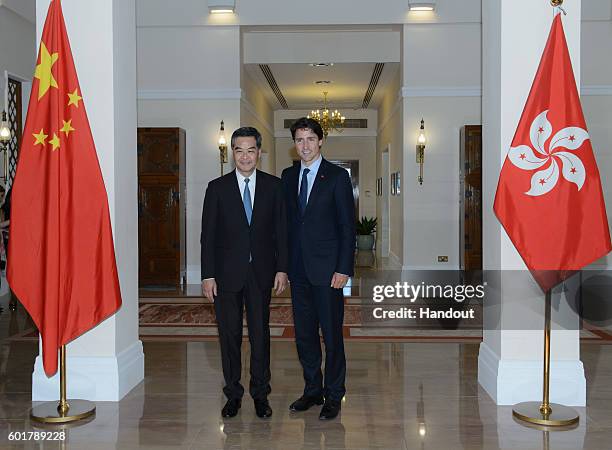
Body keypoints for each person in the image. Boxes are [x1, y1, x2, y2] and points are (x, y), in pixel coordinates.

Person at [201, 126, 288, 419]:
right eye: (239, 150)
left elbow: (281, 234)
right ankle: (233, 395)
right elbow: (208, 236)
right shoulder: (217, 188)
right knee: (229, 336)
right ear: (232, 153)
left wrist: (282, 269)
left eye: (251, 150)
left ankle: (261, 395)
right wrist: (207, 275)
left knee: (260, 335)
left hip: (262, 273)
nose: (245, 156)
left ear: (259, 153)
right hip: (226, 275)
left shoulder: (274, 187)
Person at [281, 117, 356, 420]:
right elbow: (285, 226)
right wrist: (281, 267)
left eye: (310, 139)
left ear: (321, 141)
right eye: (299, 140)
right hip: (298, 271)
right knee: (304, 335)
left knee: (332, 335)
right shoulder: (287, 176)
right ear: (294, 144)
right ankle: (312, 389)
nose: (305, 145)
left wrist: (343, 268)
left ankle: (334, 395)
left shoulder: (337, 176)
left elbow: (347, 227)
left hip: (328, 273)